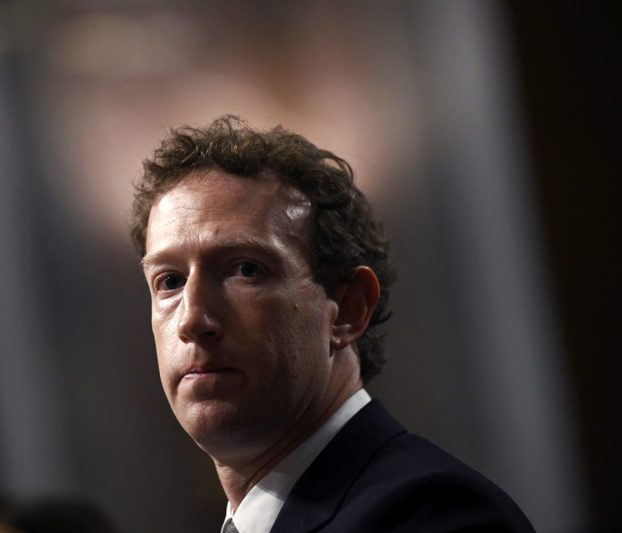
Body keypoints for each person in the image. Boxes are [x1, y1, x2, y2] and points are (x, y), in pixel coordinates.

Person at [130, 116, 534, 532]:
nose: (192, 318)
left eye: (246, 270)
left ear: (347, 308)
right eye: (170, 281)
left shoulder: (436, 515)